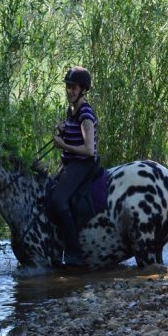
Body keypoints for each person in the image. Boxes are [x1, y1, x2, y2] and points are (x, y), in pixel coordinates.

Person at [51, 66, 99, 266]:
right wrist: (61, 130)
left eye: (74, 87)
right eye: (68, 87)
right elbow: (72, 134)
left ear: (82, 89)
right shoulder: (72, 110)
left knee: (58, 201)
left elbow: (89, 150)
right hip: (71, 163)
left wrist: (64, 145)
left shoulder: (85, 113)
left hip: (84, 164)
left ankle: (74, 251)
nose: (70, 90)